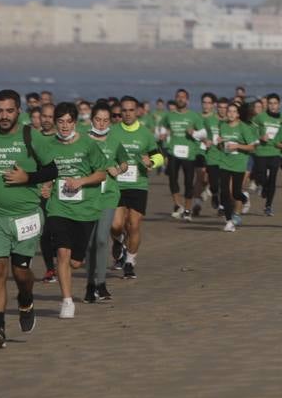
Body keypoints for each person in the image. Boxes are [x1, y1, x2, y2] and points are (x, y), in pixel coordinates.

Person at [0, 89, 59, 348]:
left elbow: (53, 168)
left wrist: (28, 178)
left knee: (20, 272)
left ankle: (25, 297)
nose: (4, 116)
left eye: (9, 110)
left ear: (18, 111)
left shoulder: (31, 137)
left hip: (26, 215)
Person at [43, 103, 110, 319]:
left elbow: (101, 174)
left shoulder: (88, 145)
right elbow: (41, 172)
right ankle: (67, 300)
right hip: (58, 207)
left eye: (68, 121)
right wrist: (44, 185)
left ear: (75, 122)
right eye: (60, 121)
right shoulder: (47, 145)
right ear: (55, 123)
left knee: (76, 261)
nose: (64, 126)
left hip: (85, 209)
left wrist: (81, 181)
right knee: (62, 252)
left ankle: (80, 269)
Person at [108, 96, 165, 280]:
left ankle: (130, 262)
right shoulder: (113, 131)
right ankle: (117, 240)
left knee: (134, 224)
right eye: (124, 110)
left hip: (138, 184)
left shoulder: (145, 133)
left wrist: (151, 163)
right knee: (116, 225)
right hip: (117, 184)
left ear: (137, 111)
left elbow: (159, 156)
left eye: (131, 110)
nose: (127, 113)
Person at [82, 101, 118, 303]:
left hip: (108, 195)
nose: (102, 124)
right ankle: (89, 284)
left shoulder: (115, 139)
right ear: (91, 119)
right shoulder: (82, 140)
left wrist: (118, 169)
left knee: (102, 239)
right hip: (87, 196)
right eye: (98, 119)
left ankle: (102, 284)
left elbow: (124, 161)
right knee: (89, 244)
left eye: (106, 120)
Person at [162, 89, 208, 220]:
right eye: (178, 97)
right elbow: (162, 127)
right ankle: (178, 205)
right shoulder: (169, 115)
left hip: (189, 154)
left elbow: (203, 133)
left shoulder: (194, 116)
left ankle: (187, 210)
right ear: (176, 99)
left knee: (188, 183)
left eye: (183, 97)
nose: (180, 99)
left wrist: (193, 133)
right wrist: (163, 133)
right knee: (172, 180)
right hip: (173, 152)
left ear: (187, 100)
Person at [216, 100, 257, 232]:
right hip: (224, 162)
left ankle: (244, 198)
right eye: (229, 111)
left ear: (238, 114)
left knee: (235, 193)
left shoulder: (243, 128)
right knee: (225, 193)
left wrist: (237, 145)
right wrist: (219, 143)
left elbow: (252, 147)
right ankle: (229, 221)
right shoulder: (222, 126)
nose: (231, 114)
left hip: (239, 164)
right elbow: (221, 146)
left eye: (234, 111)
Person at [251, 94, 282, 216]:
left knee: (273, 179)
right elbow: (251, 131)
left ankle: (268, 206)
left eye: (275, 103)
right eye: (270, 103)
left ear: (279, 105)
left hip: (275, 152)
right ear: (267, 105)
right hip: (261, 151)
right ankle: (263, 186)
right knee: (262, 177)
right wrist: (260, 137)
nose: (273, 106)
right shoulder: (260, 117)